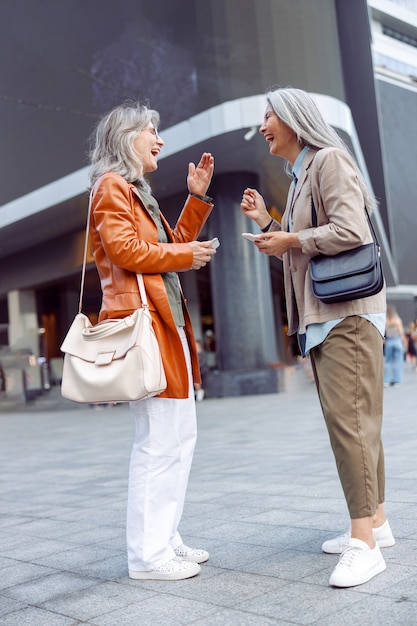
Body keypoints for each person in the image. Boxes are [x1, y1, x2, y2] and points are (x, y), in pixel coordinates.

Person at [240, 87, 395, 588]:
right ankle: (377, 523)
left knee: (349, 424)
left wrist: (291, 238)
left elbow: (351, 230)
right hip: (330, 315)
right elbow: (304, 246)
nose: (262, 125)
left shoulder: (328, 160)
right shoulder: (303, 172)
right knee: (358, 423)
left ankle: (364, 546)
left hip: (345, 314)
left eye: (268, 115)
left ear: (292, 119)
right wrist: (270, 224)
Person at [88, 101, 217, 581]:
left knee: (179, 437)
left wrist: (195, 199)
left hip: (167, 323)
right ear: (126, 138)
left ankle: (165, 538)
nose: (159, 139)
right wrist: (185, 254)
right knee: (159, 440)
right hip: (148, 327)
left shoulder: (136, 190)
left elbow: (166, 247)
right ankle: (147, 556)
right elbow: (126, 251)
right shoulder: (111, 187)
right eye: (151, 131)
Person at [384, 304, 406, 387]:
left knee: (388, 361)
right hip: (397, 341)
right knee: (398, 361)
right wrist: (405, 344)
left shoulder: (386, 320)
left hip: (389, 341)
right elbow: (401, 333)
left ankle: (387, 380)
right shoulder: (397, 320)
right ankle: (397, 381)